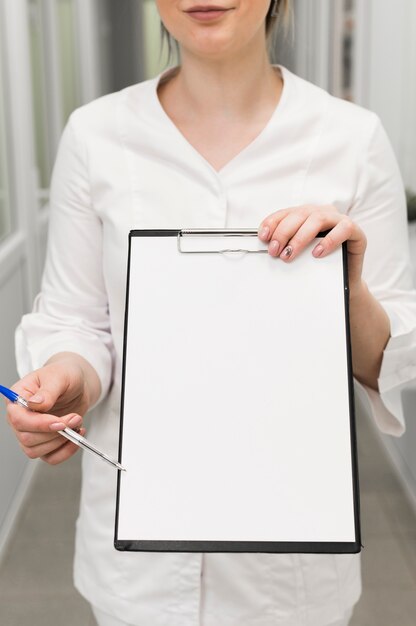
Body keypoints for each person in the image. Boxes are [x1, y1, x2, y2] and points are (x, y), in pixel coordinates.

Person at [6, 1, 416, 625]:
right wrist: (67, 379)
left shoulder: (351, 139)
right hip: (135, 572)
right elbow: (79, 320)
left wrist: (349, 287)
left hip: (292, 572)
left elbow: (386, 362)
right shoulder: (95, 136)